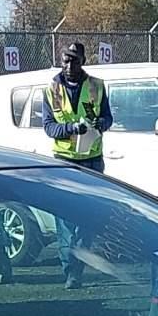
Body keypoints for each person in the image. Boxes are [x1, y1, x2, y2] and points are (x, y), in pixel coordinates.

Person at [41, 43, 113, 285]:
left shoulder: (97, 86)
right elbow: (49, 127)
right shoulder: (51, 89)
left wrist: (99, 124)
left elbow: (107, 117)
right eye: (65, 60)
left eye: (74, 60)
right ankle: (69, 269)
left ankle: (78, 266)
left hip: (92, 160)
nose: (69, 65)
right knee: (65, 218)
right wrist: (71, 128)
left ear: (83, 61)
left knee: (89, 217)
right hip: (64, 161)